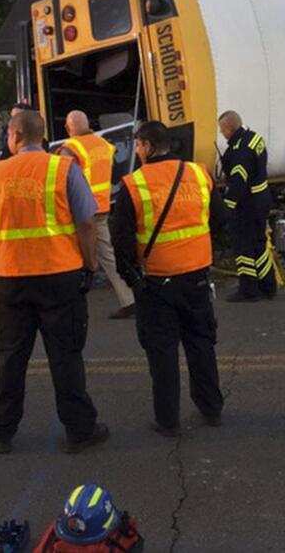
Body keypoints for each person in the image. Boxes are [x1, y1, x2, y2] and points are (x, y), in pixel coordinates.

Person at [0, 109, 109, 455]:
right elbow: (87, 221)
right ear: (43, 136)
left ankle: (1, 431)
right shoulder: (63, 169)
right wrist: (89, 262)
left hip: (10, 278)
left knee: (11, 357)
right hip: (59, 276)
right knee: (66, 355)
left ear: (13, 136)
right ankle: (80, 430)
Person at [112, 121, 224, 436]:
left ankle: (168, 419)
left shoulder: (134, 185)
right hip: (197, 276)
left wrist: (131, 278)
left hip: (156, 282)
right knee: (201, 343)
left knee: (162, 352)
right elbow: (218, 219)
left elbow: (121, 239)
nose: (136, 150)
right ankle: (211, 408)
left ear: (147, 146)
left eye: (137, 145)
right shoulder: (199, 174)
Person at [60, 110, 131, 319]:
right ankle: (130, 297)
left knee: (69, 253)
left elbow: (64, 180)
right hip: (102, 205)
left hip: (80, 210)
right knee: (106, 254)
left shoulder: (71, 149)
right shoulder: (103, 144)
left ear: (67, 128)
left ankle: (129, 299)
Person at [217, 110, 276, 302]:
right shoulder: (254, 138)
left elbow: (237, 183)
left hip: (247, 204)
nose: (222, 134)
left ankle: (248, 288)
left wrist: (226, 208)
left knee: (243, 247)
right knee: (259, 244)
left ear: (229, 128)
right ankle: (267, 285)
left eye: (222, 130)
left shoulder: (238, 152)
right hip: (262, 198)